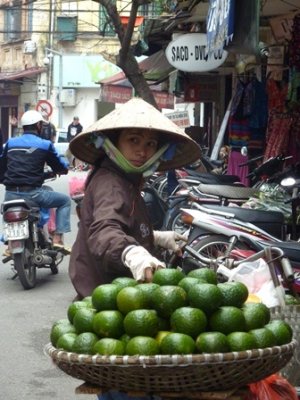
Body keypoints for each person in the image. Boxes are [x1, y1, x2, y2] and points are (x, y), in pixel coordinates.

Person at [68, 97, 201, 300]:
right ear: (114, 143)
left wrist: (154, 237)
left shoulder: (127, 178)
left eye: (151, 143)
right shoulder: (111, 184)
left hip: (120, 294)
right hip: (107, 299)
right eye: (133, 140)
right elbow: (105, 230)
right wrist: (131, 253)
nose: (143, 151)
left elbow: (123, 223)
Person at [0, 109, 71, 251]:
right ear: (38, 125)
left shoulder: (11, 143)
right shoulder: (45, 144)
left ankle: (10, 245)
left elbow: (2, 166)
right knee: (65, 201)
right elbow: (58, 165)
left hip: (10, 195)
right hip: (34, 194)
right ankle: (57, 238)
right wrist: (63, 169)